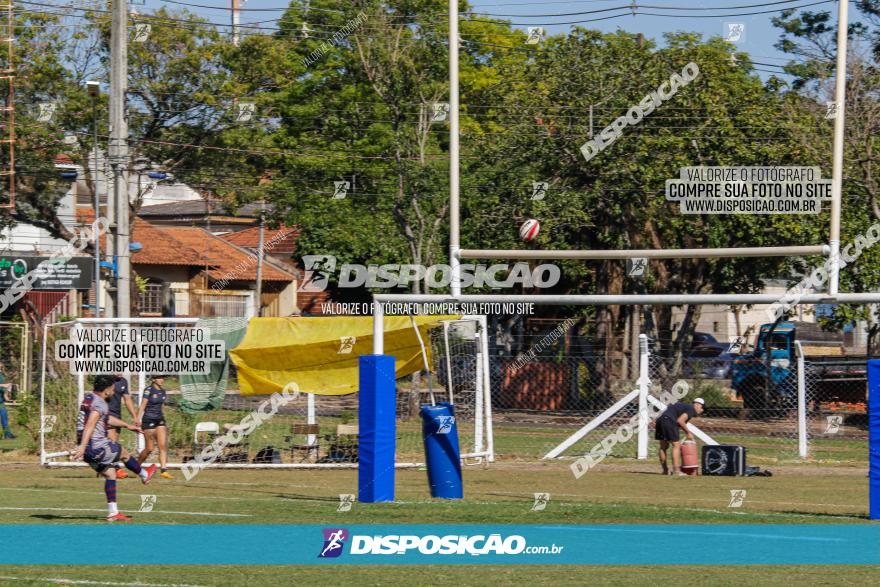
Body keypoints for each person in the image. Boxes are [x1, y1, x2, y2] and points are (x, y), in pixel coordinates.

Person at [75, 375, 157, 521]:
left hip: (89, 450)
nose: (114, 390)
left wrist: (127, 426)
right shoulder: (100, 404)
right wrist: (82, 446)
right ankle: (144, 474)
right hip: (96, 446)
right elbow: (90, 425)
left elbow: (106, 419)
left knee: (111, 474)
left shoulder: (89, 398)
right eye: (113, 388)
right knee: (123, 453)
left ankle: (113, 512)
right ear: (106, 390)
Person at [655, 397, 705, 476]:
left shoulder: (684, 406)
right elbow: (680, 421)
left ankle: (665, 471)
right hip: (669, 420)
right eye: (702, 408)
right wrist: (688, 433)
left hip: (660, 421)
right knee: (676, 445)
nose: (701, 411)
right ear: (698, 405)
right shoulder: (691, 409)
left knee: (663, 446)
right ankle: (676, 471)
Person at [136, 375, 172, 479]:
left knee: (163, 445)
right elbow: (143, 405)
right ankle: (136, 466)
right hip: (149, 420)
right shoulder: (148, 390)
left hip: (159, 420)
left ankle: (164, 470)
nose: (162, 379)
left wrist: (164, 419)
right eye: (159, 377)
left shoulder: (163, 391)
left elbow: (161, 407)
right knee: (149, 448)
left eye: (163, 377)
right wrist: (138, 419)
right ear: (153, 379)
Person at [106, 374, 137, 478]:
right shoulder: (106, 379)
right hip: (107, 414)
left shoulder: (123, 381)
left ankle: (105, 468)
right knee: (112, 443)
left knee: (113, 444)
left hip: (117, 415)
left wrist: (135, 416)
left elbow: (127, 400)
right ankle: (117, 469)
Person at [0, 362, 15, 439]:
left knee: (5, 419)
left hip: (1, 402)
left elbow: (3, 391)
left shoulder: (2, 376)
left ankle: (7, 435)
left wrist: (7, 398)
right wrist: (3, 385)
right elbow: (2, 386)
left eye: (1, 367)